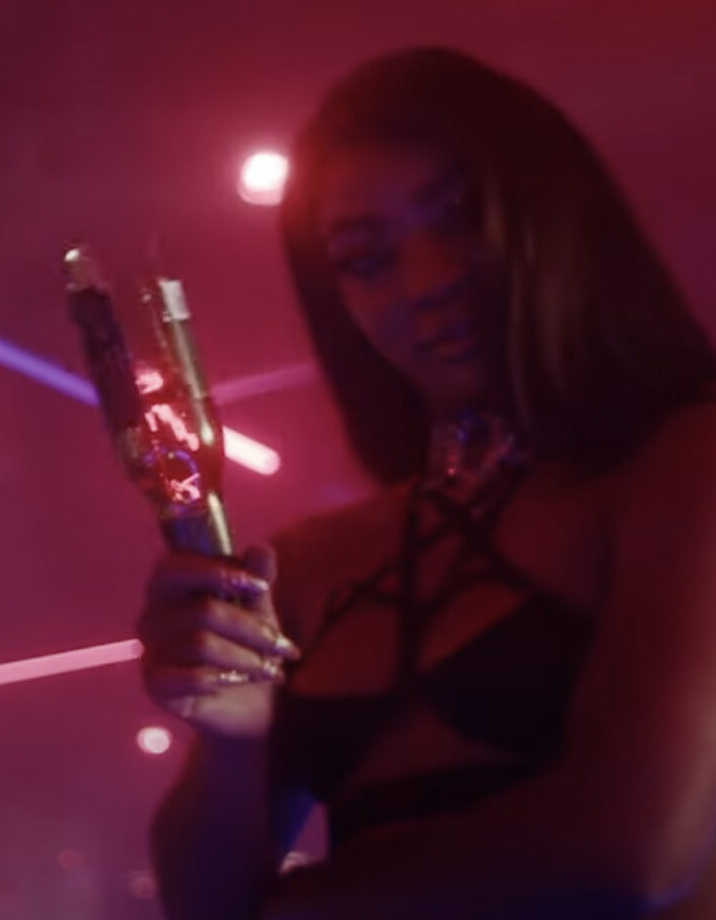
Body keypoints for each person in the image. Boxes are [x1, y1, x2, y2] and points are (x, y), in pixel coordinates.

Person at [136, 47, 716, 918]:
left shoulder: (684, 462)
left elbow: (631, 851)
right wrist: (229, 736)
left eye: (460, 216)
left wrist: (296, 909)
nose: (432, 280)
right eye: (368, 260)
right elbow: (205, 905)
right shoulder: (308, 566)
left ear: (553, 208)